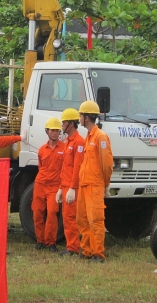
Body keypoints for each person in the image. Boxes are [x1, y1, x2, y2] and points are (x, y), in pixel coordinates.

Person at [77, 100, 113, 263]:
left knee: (95, 219)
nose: (79, 118)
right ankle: (87, 250)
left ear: (86, 117)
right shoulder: (88, 137)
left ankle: (98, 253)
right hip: (84, 184)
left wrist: (105, 184)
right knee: (82, 219)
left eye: (80, 115)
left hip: (95, 185)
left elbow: (107, 164)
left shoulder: (100, 137)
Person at [33, 117, 65, 252]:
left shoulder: (64, 149)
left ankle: (51, 242)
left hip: (55, 186)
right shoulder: (41, 150)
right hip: (40, 184)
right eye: (52, 130)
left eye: (57, 130)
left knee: (52, 213)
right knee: (37, 212)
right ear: (47, 131)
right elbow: (40, 167)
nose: (55, 133)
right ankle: (40, 241)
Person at [55, 108, 84, 256]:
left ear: (71, 124)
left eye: (64, 122)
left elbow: (77, 168)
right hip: (66, 185)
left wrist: (72, 187)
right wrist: (61, 188)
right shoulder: (68, 142)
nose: (62, 125)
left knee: (71, 218)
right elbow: (65, 167)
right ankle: (71, 246)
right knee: (67, 218)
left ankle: (73, 248)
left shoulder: (79, 142)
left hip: (73, 187)